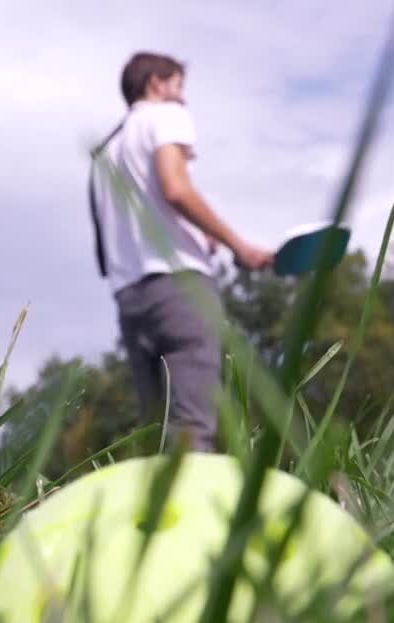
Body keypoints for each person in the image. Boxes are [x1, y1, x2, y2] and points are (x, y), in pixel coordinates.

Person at [89, 51, 273, 452]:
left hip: (130, 296)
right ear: (156, 83)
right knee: (191, 426)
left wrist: (193, 231)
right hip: (180, 288)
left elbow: (137, 212)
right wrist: (239, 245)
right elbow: (175, 188)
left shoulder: (106, 151)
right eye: (179, 86)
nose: (182, 97)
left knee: (155, 434)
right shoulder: (166, 115)